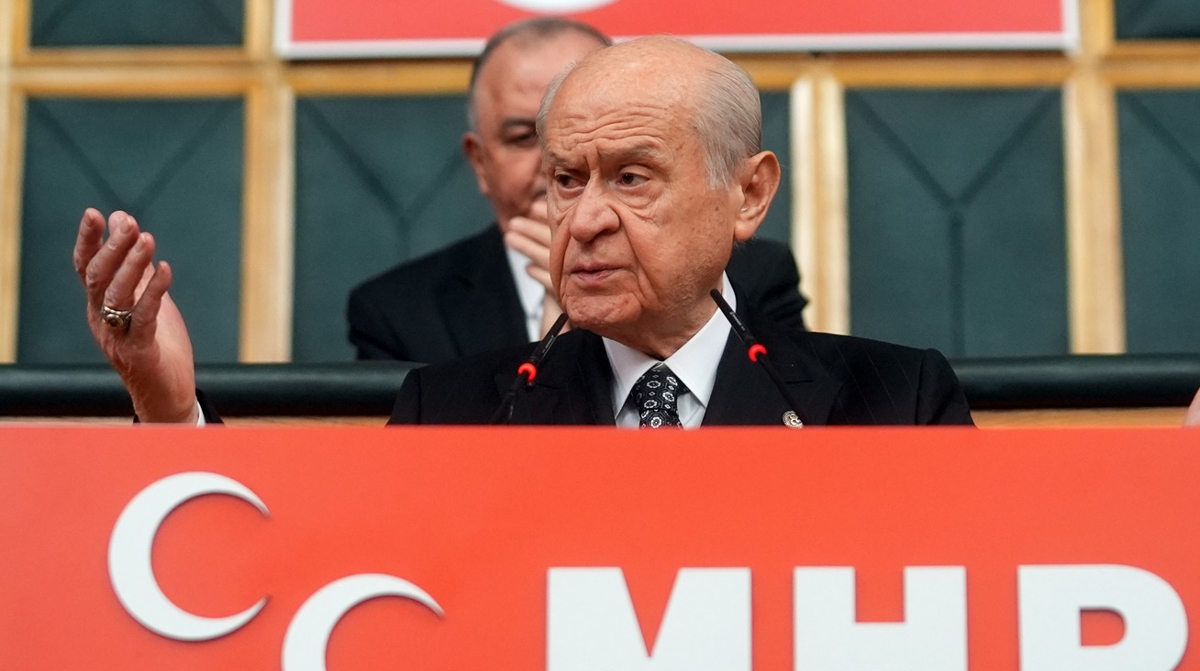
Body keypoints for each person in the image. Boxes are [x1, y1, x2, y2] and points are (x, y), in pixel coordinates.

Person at [74, 36, 972, 427]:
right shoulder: (451, 411)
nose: (583, 219)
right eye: (565, 179)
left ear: (748, 195)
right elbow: (314, 593)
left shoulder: (896, 402)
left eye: (631, 178)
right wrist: (170, 408)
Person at [346, 18, 807, 363]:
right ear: (479, 162)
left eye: (629, 175)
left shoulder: (752, 277)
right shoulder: (400, 310)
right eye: (524, 138)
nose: (586, 216)